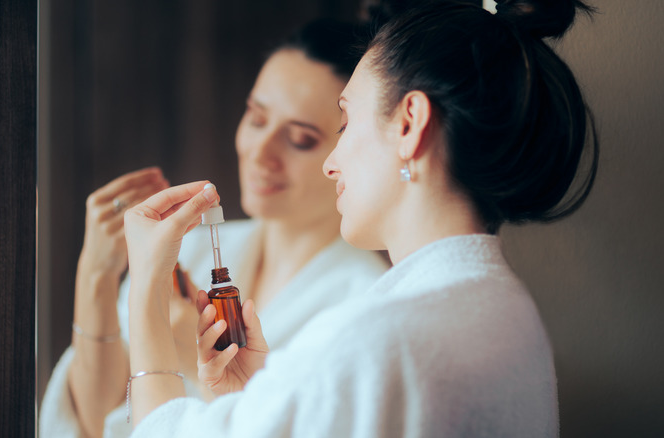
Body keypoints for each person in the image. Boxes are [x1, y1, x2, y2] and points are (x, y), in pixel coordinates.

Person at [120, 0, 599, 436]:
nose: (333, 162)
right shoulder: (505, 311)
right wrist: (252, 398)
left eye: (345, 124)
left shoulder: (374, 339)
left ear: (409, 124)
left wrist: (146, 288)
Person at [39, 19, 389, 438]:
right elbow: (94, 424)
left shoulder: (365, 305)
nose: (261, 153)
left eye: (299, 140)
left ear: (347, 148)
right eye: (257, 119)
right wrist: (96, 276)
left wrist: (192, 358)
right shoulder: (189, 251)